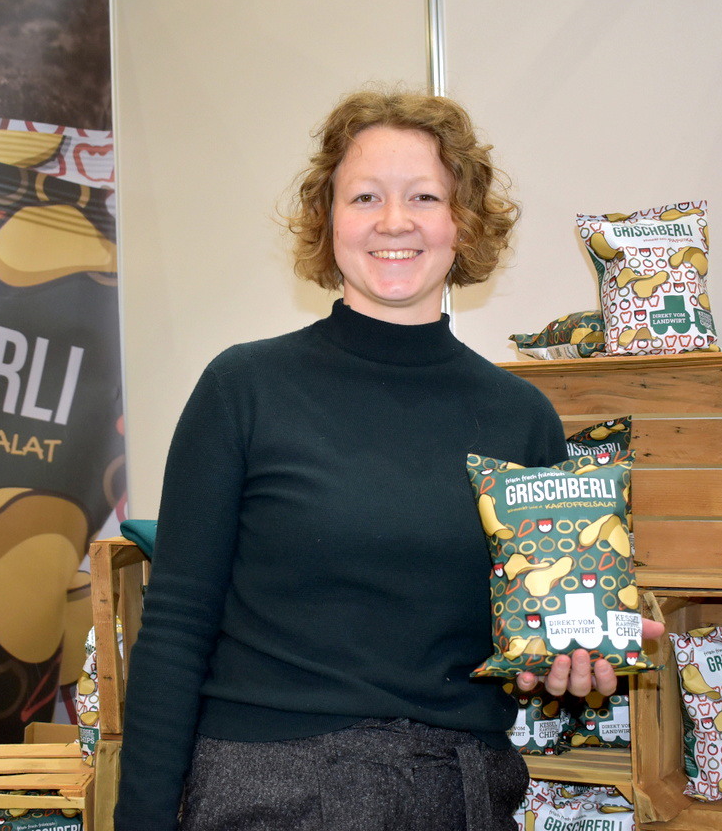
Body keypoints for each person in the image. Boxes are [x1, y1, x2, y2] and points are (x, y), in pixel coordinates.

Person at [112, 89, 662, 831]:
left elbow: (525, 631)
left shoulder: (520, 416)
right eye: (365, 196)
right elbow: (177, 625)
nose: (394, 221)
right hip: (272, 791)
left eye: (424, 196)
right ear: (328, 219)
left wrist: (570, 659)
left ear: (463, 222)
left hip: (459, 792)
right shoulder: (243, 389)